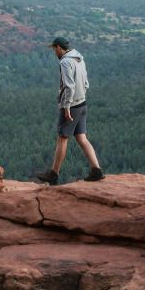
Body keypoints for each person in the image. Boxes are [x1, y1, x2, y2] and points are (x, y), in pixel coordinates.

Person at [37, 36, 104, 185]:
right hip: (82, 103)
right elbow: (86, 82)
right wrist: (81, 97)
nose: (55, 52)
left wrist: (67, 106)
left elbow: (69, 86)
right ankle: (96, 170)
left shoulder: (65, 62)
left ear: (59, 48)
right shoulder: (79, 57)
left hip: (72, 106)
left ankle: (53, 174)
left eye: (54, 49)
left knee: (62, 138)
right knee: (81, 137)